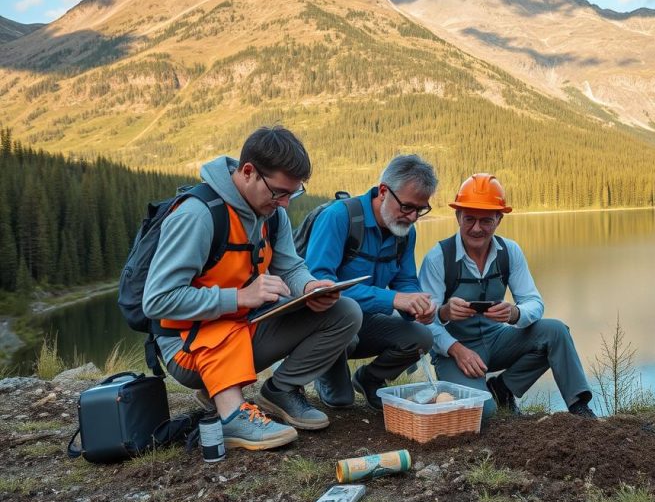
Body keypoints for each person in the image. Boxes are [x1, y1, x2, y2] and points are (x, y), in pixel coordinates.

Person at [142, 126, 362, 451]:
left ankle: (280, 391)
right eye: (279, 192)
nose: (285, 203)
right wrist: (240, 297)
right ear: (248, 172)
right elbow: (157, 301)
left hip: (239, 326)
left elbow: (290, 267)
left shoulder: (272, 215)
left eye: (293, 194)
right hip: (187, 346)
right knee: (222, 326)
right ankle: (230, 412)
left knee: (344, 312)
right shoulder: (198, 216)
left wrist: (310, 287)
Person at [419, 173, 596, 419]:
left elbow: (534, 302)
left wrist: (515, 313)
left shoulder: (509, 251)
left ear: (499, 219)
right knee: (486, 414)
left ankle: (576, 406)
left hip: (497, 340)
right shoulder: (438, 257)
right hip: (453, 351)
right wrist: (455, 342)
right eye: (469, 219)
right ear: (457, 216)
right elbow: (425, 323)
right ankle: (489, 399)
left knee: (556, 331)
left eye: (486, 221)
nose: (477, 228)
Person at [305, 154, 438, 410]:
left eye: (420, 210)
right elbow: (320, 288)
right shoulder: (338, 217)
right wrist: (394, 299)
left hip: (364, 322)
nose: (412, 217)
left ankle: (369, 379)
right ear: (384, 191)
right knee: (341, 401)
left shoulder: (403, 232)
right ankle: (323, 370)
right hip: (324, 325)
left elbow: (406, 279)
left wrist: (417, 303)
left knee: (421, 337)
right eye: (407, 207)